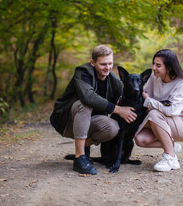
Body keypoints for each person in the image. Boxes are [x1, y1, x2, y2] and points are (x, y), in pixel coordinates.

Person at [50, 45, 137, 175]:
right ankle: (80, 157)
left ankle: (84, 145)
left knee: (113, 127)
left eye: (110, 63)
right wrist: (118, 109)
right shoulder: (82, 72)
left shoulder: (114, 81)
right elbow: (88, 97)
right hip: (67, 121)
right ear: (93, 62)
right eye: (103, 64)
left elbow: (122, 98)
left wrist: (145, 102)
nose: (107, 67)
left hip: (90, 122)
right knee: (84, 104)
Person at [134, 49, 183, 172]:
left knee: (153, 114)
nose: (153, 68)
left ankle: (170, 158)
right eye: (153, 64)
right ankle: (172, 146)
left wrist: (149, 102)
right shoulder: (154, 78)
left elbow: (172, 111)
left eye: (158, 65)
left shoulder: (181, 83)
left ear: (169, 67)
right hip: (163, 120)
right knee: (140, 139)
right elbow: (143, 95)